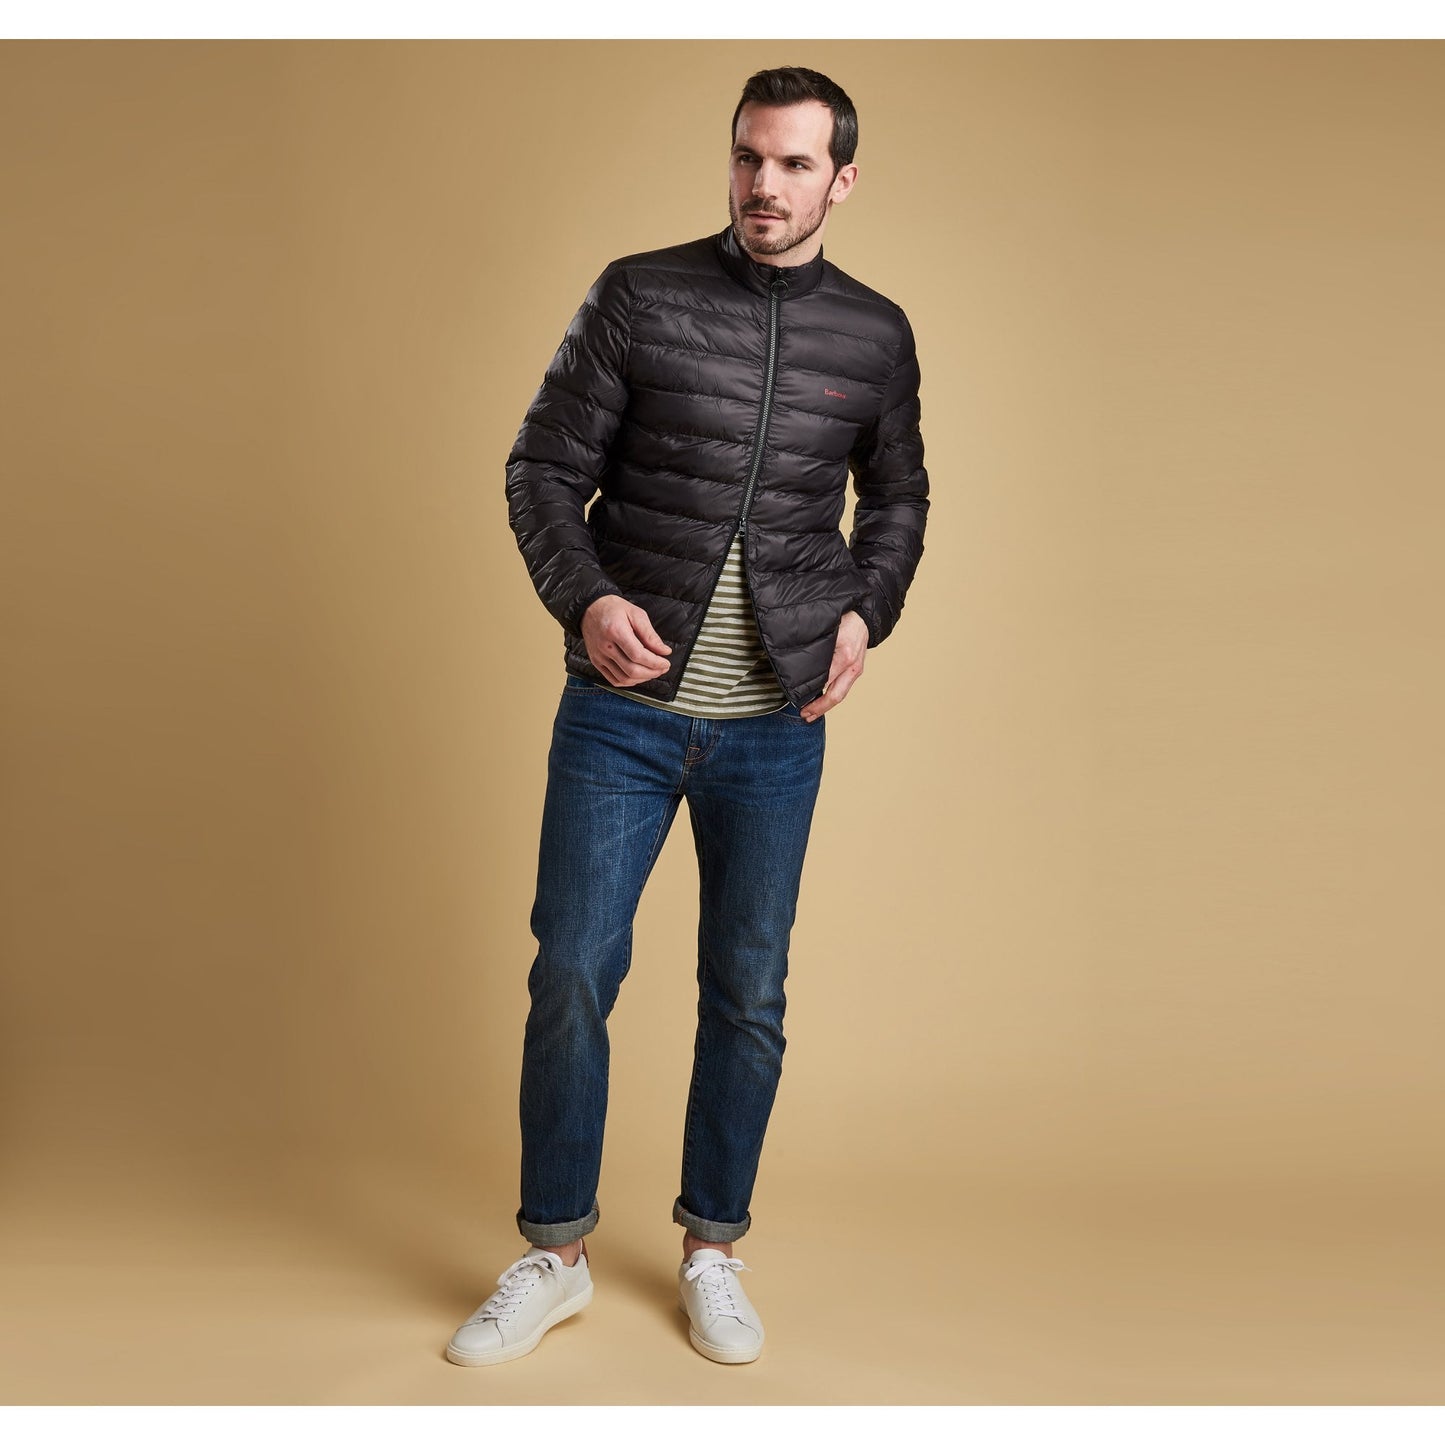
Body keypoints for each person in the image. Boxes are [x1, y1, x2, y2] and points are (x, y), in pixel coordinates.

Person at [446, 64, 928, 1369]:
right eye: (746, 158)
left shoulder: (875, 334)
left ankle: (712, 1249)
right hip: (622, 711)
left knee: (748, 990)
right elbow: (542, 466)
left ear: (840, 179)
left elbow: (896, 496)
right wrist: (587, 595)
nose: (763, 186)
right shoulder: (639, 294)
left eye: (792, 164)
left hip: (776, 720)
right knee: (572, 967)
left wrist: (865, 611)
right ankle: (554, 1255)